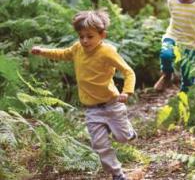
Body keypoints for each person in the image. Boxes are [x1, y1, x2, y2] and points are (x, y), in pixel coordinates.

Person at [31, 10, 136, 180]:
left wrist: (126, 92)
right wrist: (43, 51)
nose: (85, 40)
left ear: (102, 35)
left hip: (112, 104)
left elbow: (128, 71)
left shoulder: (107, 52)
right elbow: (63, 54)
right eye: (81, 36)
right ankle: (117, 174)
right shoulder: (77, 48)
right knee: (99, 145)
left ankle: (129, 132)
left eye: (90, 36)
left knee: (123, 138)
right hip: (92, 109)